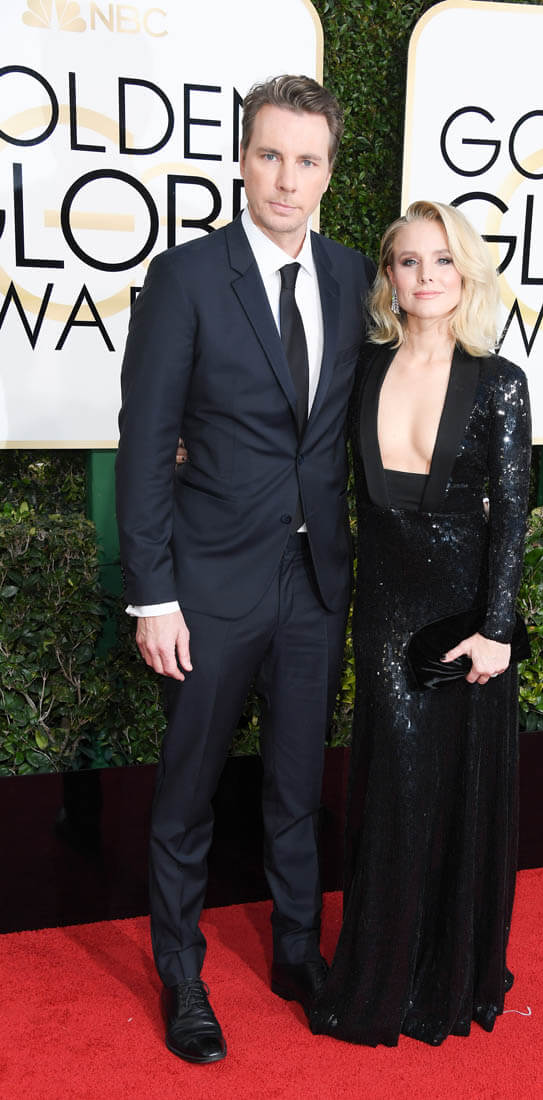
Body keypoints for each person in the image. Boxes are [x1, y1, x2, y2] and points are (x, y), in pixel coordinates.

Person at [115, 74, 374, 1064]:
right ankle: (182, 974)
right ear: (241, 159)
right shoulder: (186, 277)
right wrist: (154, 593)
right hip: (208, 587)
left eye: (306, 160)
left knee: (297, 785)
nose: (286, 179)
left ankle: (298, 952)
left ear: (329, 172)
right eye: (270, 155)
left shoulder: (352, 277)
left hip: (314, 583)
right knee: (188, 793)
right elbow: (147, 444)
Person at [309, 200, 532, 1047]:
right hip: (382, 611)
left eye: (442, 260)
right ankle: (381, 975)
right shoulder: (360, 369)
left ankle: (444, 975)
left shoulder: (498, 381)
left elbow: (511, 513)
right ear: (388, 277)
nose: (426, 276)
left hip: (462, 620)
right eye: (408, 261)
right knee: (394, 788)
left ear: (465, 273)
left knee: (455, 792)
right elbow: (300, 452)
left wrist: (497, 630)